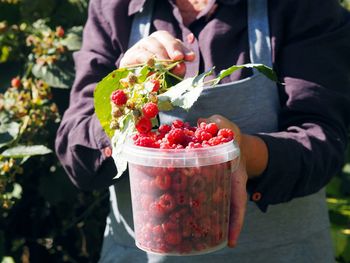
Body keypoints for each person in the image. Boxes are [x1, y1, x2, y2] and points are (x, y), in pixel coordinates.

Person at [55, 0, 350, 262]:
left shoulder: (302, 7)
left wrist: (242, 152)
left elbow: (322, 140)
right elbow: (76, 155)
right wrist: (128, 92)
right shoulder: (115, 7)